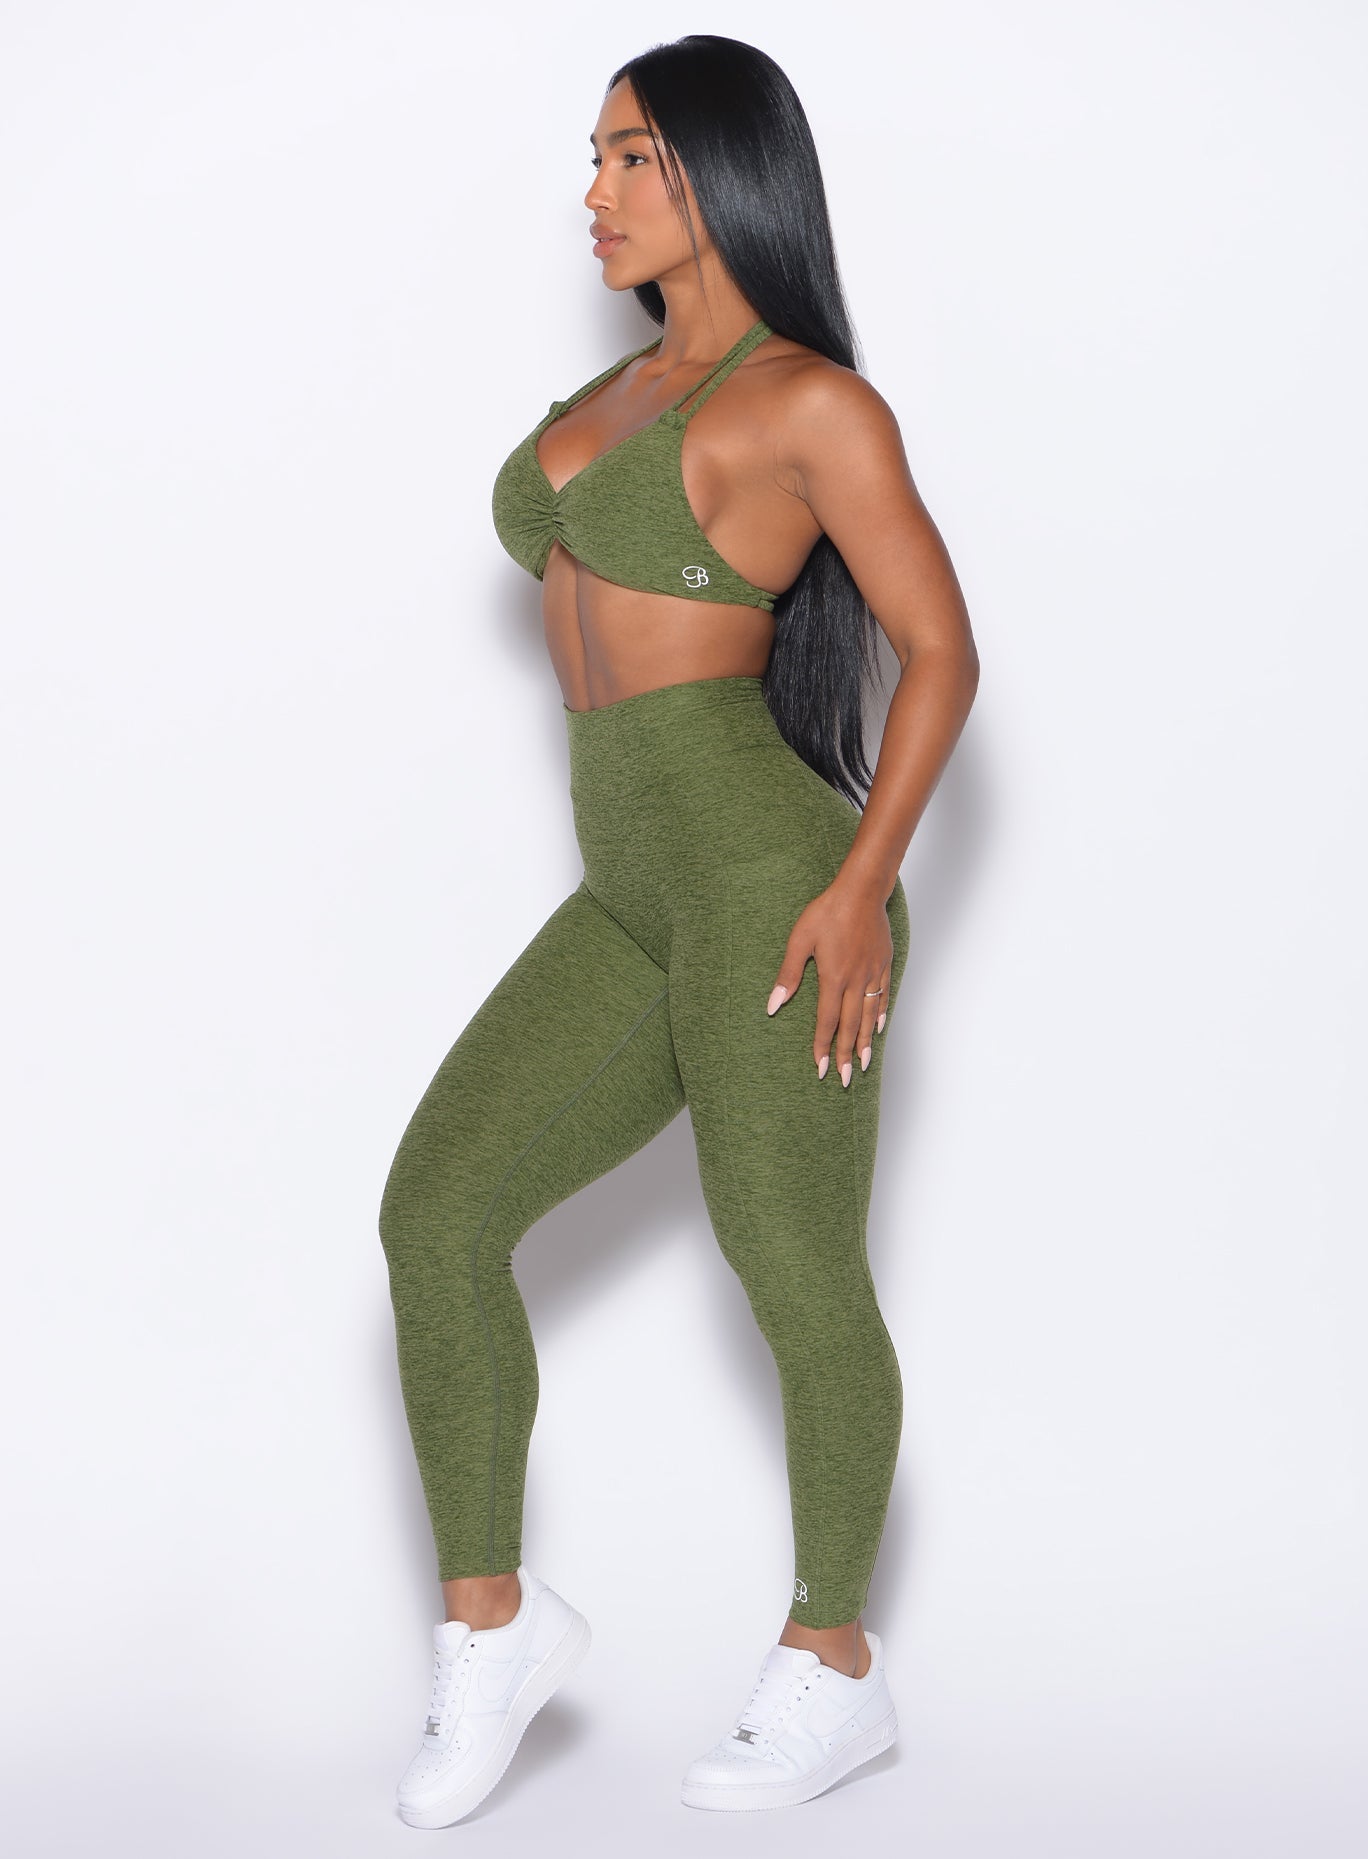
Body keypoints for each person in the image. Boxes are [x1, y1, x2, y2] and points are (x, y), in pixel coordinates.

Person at [377, 32, 979, 1827]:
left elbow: (940, 651)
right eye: (594, 156)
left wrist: (857, 889)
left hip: (769, 887)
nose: (596, 191)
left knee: (790, 1265)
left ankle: (835, 1664)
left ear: (722, 171)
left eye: (630, 156)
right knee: (437, 1215)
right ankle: (495, 1633)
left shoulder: (810, 405)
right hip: (628, 894)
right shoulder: (626, 389)